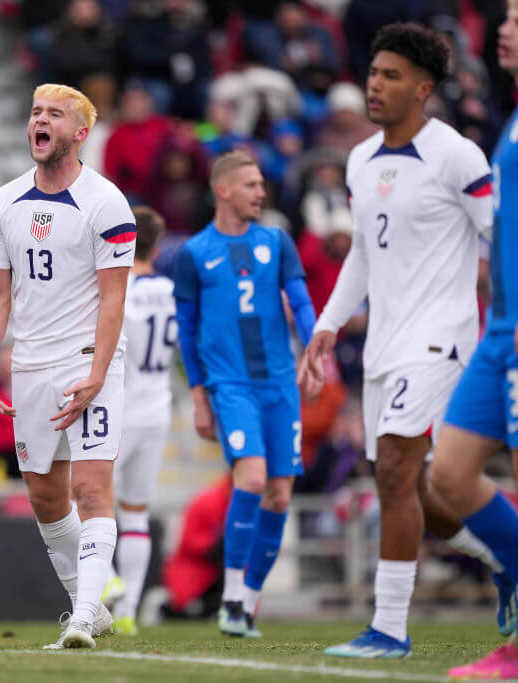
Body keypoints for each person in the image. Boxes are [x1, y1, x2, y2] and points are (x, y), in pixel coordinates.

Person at [298, 23, 506, 659]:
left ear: (424, 88)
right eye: (373, 73)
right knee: (421, 491)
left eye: (390, 75)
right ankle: (507, 557)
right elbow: (361, 252)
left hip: (442, 338)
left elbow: (503, 234)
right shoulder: (360, 160)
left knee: (392, 467)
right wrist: (328, 323)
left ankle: (388, 629)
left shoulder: (459, 156)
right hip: (385, 344)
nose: (375, 85)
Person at [0, 83, 135, 649]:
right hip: (32, 363)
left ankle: (85, 613)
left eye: (55, 114)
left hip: (88, 360)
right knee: (45, 496)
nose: (40, 120)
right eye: (35, 111)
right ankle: (88, 603)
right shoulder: (3, 201)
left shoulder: (106, 202)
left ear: (81, 132)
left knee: (92, 487)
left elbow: (114, 297)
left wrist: (98, 369)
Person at [167, 150, 315, 640]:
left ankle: (248, 602)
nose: (261, 193)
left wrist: (315, 351)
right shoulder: (193, 253)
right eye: (251, 185)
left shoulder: (277, 241)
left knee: (278, 494)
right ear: (224, 189)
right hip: (230, 388)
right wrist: (199, 395)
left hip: (279, 387)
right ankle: (230, 599)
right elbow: (186, 331)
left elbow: (299, 299)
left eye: (261, 184)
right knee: (250, 481)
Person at [430, 4, 518, 677]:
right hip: (500, 332)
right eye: (506, 18)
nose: (505, 30)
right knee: (450, 476)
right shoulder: (511, 118)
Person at [101, 205, 175, 636]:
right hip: (158, 407)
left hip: (120, 404)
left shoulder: (118, 287)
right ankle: (127, 607)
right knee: (135, 512)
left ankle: (107, 577)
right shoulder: (170, 289)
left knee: (82, 499)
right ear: (157, 246)